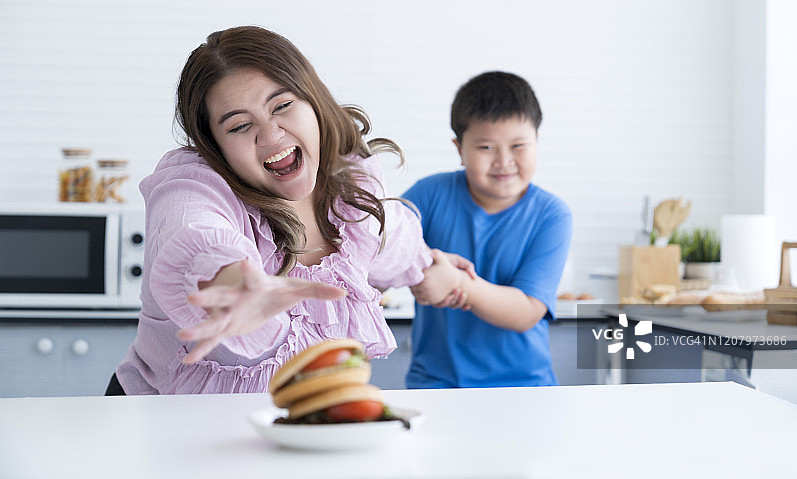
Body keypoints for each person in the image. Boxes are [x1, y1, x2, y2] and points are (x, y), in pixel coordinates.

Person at [110, 26, 465, 395]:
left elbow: (400, 244)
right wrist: (238, 286)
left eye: (282, 105)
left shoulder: (353, 194)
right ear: (214, 147)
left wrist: (433, 273)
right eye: (240, 125)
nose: (271, 135)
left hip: (279, 436)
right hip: (162, 430)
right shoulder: (193, 187)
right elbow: (194, 238)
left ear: (313, 101)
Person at [404, 71, 573, 389]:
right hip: (437, 385)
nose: (504, 161)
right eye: (486, 147)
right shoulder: (428, 194)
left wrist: (456, 281)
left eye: (519, 145)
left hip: (524, 388)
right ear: (459, 149)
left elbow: (526, 311)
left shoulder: (552, 215)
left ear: (537, 140)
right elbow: (379, 245)